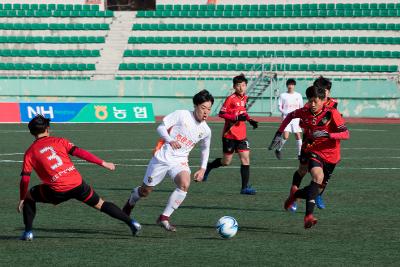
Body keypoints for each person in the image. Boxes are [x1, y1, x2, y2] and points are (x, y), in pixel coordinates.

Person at [18, 115, 141, 241]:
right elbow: (81, 153)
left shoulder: (30, 152)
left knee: (29, 196)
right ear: (48, 129)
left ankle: (28, 233)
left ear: (31, 132)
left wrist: (22, 198)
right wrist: (104, 163)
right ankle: (132, 223)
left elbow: (25, 179)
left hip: (57, 191)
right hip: (77, 184)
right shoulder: (60, 141)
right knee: (100, 204)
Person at [122, 90, 214, 232]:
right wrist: (170, 140)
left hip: (180, 161)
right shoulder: (182, 115)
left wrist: (202, 168)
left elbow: (205, 149)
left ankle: (164, 217)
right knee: (145, 192)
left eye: (209, 109)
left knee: (184, 184)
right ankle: (131, 200)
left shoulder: (206, 130)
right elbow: (160, 127)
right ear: (195, 106)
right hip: (162, 158)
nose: (206, 112)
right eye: (203, 108)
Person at [269, 85, 349, 229]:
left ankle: (295, 195)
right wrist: (279, 132)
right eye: (310, 101)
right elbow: (290, 116)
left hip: (332, 156)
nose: (312, 104)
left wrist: (328, 134)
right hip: (313, 151)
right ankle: (308, 216)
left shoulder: (332, 113)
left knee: (316, 190)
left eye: (315, 101)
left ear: (323, 100)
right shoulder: (305, 111)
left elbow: (346, 134)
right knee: (316, 177)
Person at [200, 74, 259, 195]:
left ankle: (244, 188)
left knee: (246, 159)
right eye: (238, 85)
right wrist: (236, 117)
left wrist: (250, 120)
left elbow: (243, 112)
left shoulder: (245, 98)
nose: (241, 88)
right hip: (229, 135)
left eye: (243, 85)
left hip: (242, 136)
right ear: (234, 87)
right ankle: (209, 166)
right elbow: (221, 113)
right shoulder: (230, 99)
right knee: (226, 162)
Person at [288, 76, 338, 211]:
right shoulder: (310, 104)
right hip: (309, 143)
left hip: (326, 145)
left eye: (327, 90)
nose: (325, 92)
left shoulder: (334, 104)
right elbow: (302, 121)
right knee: (303, 170)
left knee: (322, 177)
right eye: (322, 89)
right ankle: (294, 197)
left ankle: (318, 195)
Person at [274, 78, 303, 160]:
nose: (291, 86)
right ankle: (278, 149)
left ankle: (299, 154)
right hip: (286, 118)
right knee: (286, 136)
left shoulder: (298, 95)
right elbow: (279, 106)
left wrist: (301, 117)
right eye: (289, 85)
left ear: (294, 86)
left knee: (298, 135)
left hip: (296, 118)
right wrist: (285, 112)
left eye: (292, 85)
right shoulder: (283, 95)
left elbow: (301, 107)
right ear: (287, 86)